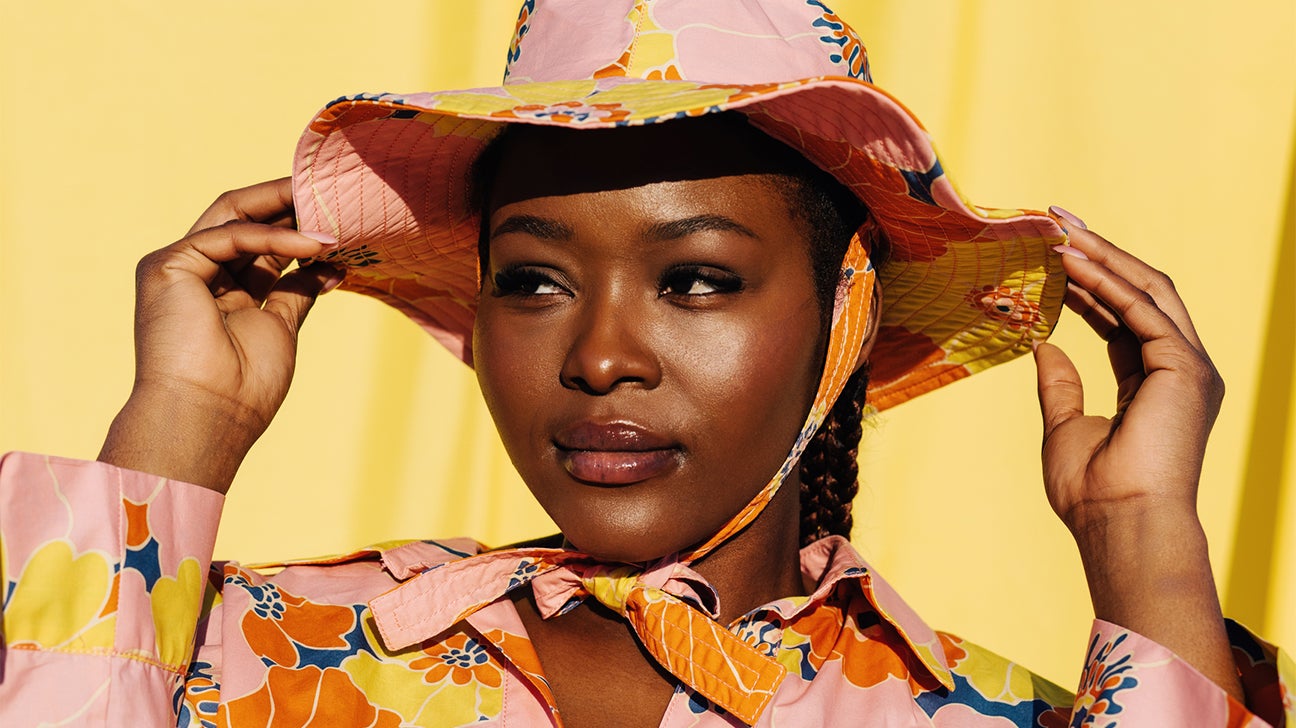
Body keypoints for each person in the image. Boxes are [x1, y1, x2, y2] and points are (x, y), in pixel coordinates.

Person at [0, 1, 1290, 725]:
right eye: (536, 280)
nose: (602, 355)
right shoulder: (241, 652)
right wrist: (179, 418)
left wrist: (1144, 543)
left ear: (845, 315)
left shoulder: (1004, 724)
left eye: (698, 279)